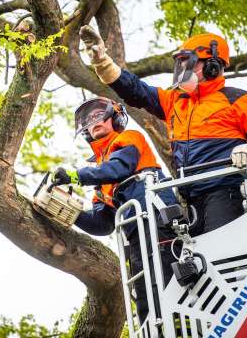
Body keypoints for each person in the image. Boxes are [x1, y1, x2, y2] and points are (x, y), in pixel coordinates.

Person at [79, 25, 247, 236]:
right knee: (198, 263)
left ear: (212, 66)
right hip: (191, 197)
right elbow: (135, 90)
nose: (182, 69)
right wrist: (101, 61)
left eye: (189, 63)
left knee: (222, 257)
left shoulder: (237, 99)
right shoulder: (175, 100)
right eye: (181, 63)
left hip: (225, 191)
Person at [51, 97, 177, 323]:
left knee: (164, 283)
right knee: (145, 293)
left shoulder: (129, 138)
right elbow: (102, 224)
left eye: (99, 115)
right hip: (136, 233)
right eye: (89, 120)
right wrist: (66, 210)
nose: (94, 121)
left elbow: (120, 167)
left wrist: (75, 176)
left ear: (115, 117)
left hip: (157, 219)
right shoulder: (101, 179)